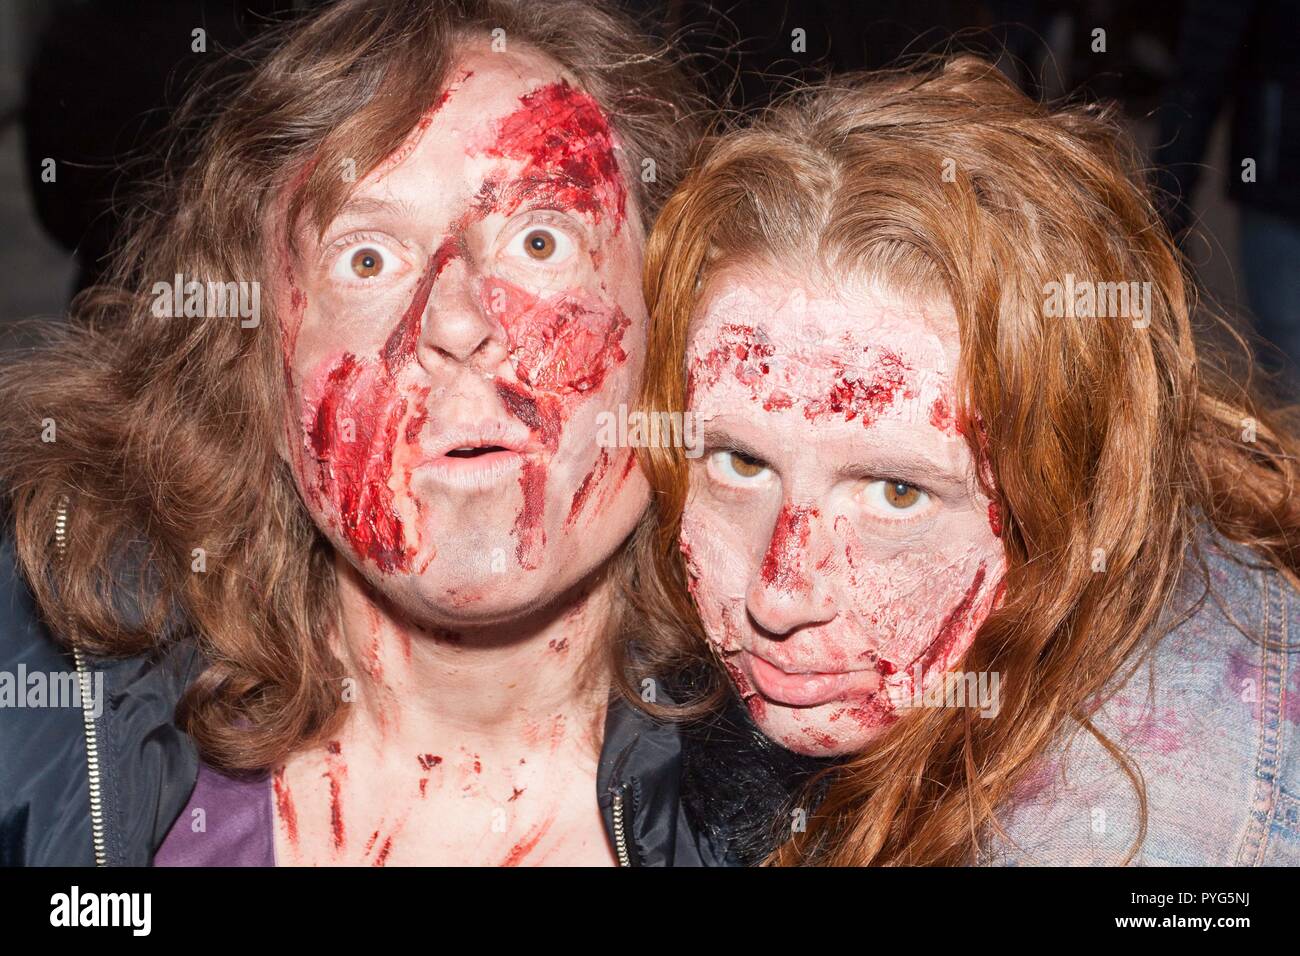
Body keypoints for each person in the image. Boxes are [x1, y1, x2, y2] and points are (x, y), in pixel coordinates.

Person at [0, 0, 753, 867]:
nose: (458, 318)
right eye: (366, 259)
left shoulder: (835, 784)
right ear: (258, 367)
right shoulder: (50, 730)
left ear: (676, 317)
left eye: (540, 240)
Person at [631, 56, 1300, 865]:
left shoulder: (1133, 840)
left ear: (1076, 487)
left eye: (895, 491)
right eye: (741, 463)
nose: (777, 596)